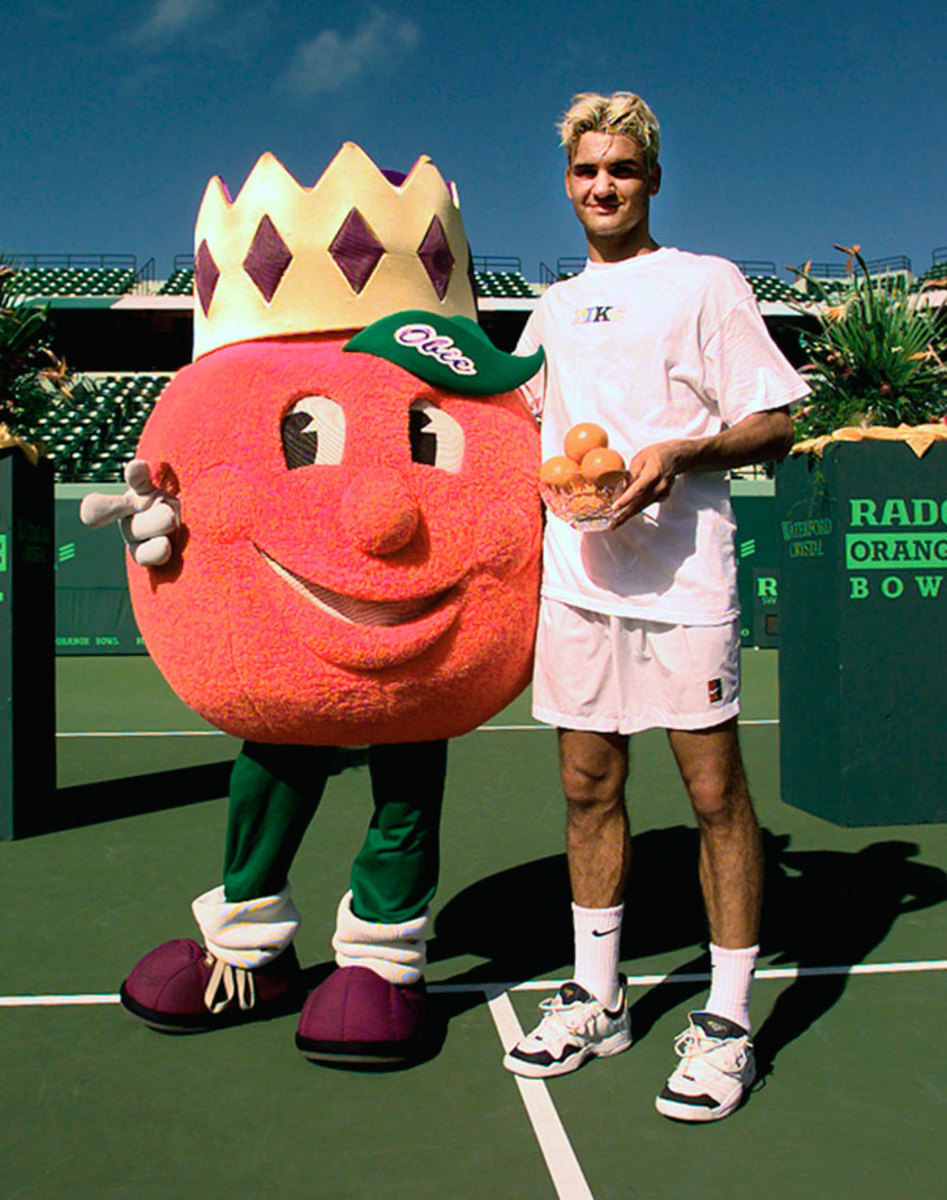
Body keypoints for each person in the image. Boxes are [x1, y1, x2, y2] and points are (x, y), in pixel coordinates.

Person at [503, 91, 809, 1122]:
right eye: (585, 171)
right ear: (566, 182)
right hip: (577, 579)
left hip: (684, 577)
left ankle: (725, 1023)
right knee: (586, 785)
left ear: (651, 178)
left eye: (620, 170)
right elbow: (531, 441)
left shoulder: (703, 283)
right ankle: (598, 995)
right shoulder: (547, 310)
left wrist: (682, 452)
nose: (601, 187)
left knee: (713, 791)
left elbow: (770, 423)